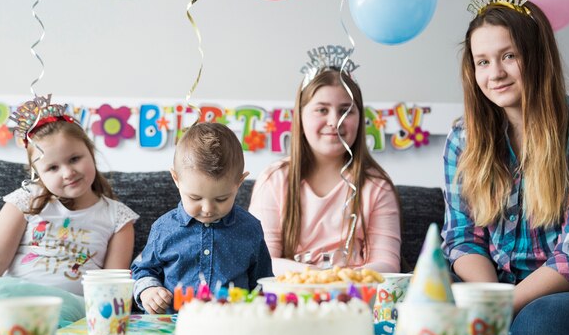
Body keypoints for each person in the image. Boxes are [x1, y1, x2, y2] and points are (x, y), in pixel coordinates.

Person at [442, 0, 569, 335]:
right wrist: (489, 300)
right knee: (416, 308)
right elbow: (463, 237)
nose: (494, 73)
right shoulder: (463, 138)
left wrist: (499, 311)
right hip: (497, 284)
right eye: (482, 61)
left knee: (538, 328)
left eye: (509, 56)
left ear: (536, 57)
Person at [0, 95, 138, 325]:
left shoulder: (118, 218)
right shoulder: (24, 201)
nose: (67, 173)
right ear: (38, 174)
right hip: (12, 297)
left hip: (71, 307)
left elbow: (111, 284)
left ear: (91, 153)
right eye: (53, 167)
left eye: (74, 159)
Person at [249, 53, 401, 276]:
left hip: (355, 302)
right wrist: (317, 277)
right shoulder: (274, 180)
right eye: (322, 109)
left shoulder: (376, 186)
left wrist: (340, 280)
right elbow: (263, 262)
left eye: (345, 110)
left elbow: (387, 265)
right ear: (300, 117)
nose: (334, 121)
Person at [132, 122, 273, 314]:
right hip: (176, 326)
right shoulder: (163, 228)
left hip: (233, 326)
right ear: (176, 179)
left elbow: (263, 282)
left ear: (239, 182)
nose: (207, 209)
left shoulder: (250, 229)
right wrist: (149, 291)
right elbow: (143, 269)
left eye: (221, 199)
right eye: (195, 198)